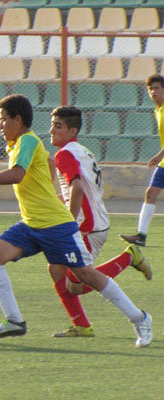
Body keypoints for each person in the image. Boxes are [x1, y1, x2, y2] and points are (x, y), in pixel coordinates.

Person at [0, 94, 152, 348]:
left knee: (85, 275)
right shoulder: (19, 144)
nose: (0, 125)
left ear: (18, 119)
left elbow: (17, 175)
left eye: (3, 119)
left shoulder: (27, 140)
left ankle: (140, 318)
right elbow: (47, 165)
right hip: (32, 223)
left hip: (56, 225)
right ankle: (15, 321)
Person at [50, 106, 152, 338]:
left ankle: (129, 257)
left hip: (87, 227)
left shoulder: (64, 154)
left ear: (72, 130)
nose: (52, 130)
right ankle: (82, 325)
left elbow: (76, 189)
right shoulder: (83, 150)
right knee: (56, 268)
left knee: (78, 283)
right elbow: (79, 190)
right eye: (52, 124)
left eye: (58, 126)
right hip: (95, 221)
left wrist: (69, 223)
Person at [119, 74, 164, 247]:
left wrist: (159, 155)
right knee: (150, 193)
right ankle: (141, 235)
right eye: (150, 89)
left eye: (157, 88)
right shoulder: (157, 109)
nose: (153, 92)